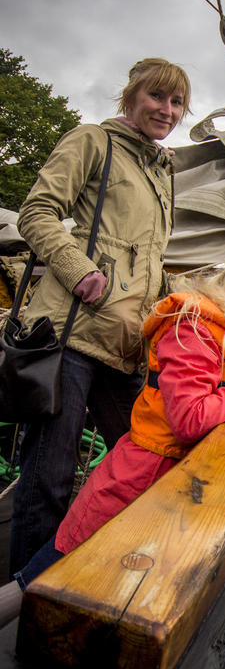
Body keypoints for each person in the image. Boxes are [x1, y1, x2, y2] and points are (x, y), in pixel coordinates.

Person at [0, 250, 225, 626]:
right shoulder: (193, 327)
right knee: (43, 575)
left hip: (165, 486)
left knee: (89, 579)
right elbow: (189, 418)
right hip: (136, 481)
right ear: (220, 289)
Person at [9, 58, 191, 574]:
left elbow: (147, 259)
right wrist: (79, 269)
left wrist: (182, 304)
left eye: (177, 102)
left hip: (125, 345)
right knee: (49, 477)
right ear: (131, 97)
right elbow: (36, 212)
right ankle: (30, 599)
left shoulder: (162, 172)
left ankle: (100, 573)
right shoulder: (93, 141)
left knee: (149, 458)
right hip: (71, 336)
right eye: (158, 97)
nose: (168, 110)